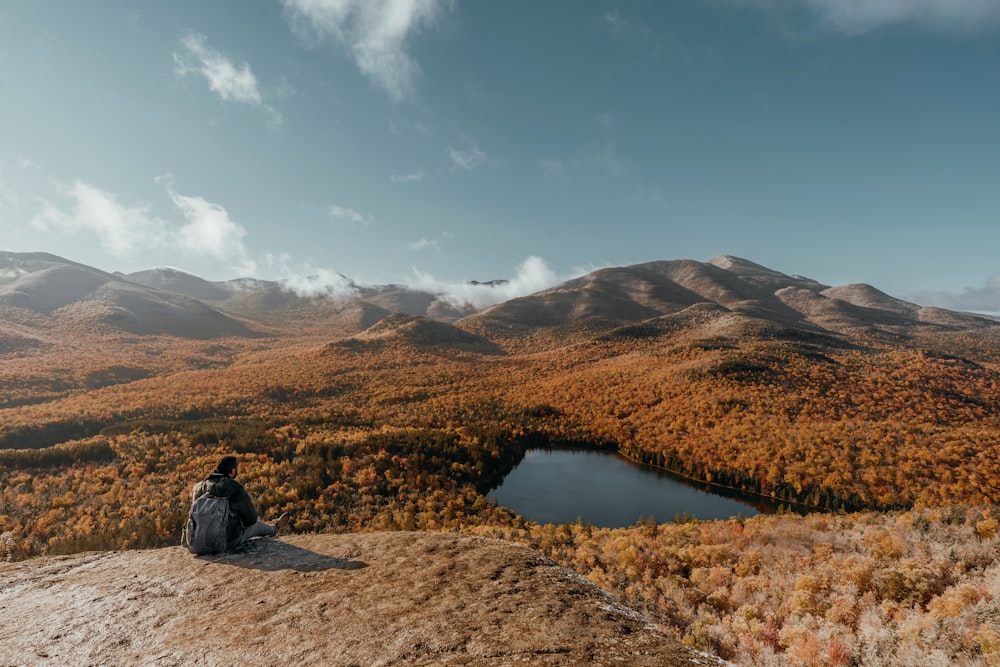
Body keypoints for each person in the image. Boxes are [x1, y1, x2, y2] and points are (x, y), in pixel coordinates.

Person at [191, 455, 290, 549]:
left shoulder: (199, 487)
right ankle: (274, 528)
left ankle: (273, 526)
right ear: (232, 471)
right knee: (256, 525)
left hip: (197, 541)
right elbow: (251, 519)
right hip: (227, 541)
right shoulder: (234, 488)